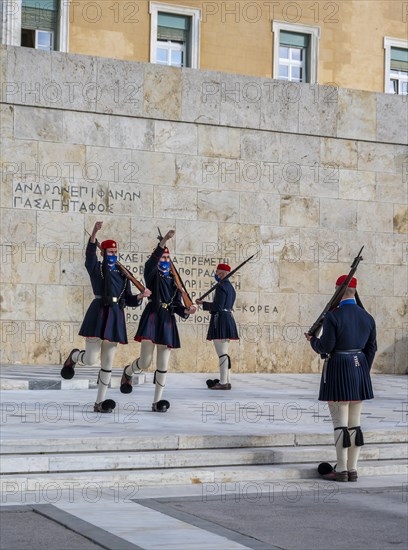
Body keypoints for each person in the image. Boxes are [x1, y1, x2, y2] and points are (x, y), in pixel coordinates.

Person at [61, 221, 151, 413]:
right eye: (110, 252)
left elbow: (128, 299)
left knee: (108, 363)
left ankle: (99, 402)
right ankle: (75, 356)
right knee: (92, 359)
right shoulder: (97, 269)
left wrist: (141, 296)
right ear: (103, 253)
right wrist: (94, 233)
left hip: (116, 316)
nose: (113, 255)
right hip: (99, 312)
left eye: (115, 252)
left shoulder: (122, 273)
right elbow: (89, 256)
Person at [305, 275, 377, 482]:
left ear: (338, 289)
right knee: (355, 424)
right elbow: (372, 348)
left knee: (340, 423)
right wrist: (362, 369)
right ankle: (353, 469)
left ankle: (341, 469)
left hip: (339, 368)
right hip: (359, 368)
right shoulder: (367, 316)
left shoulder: (333, 316)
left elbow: (326, 347)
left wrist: (313, 341)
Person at [120, 229, 196, 412]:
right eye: (162, 257)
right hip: (152, 318)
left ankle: (157, 401)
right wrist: (163, 243)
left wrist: (186, 309)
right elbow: (152, 262)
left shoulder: (174, 281)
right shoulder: (152, 274)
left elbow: (177, 305)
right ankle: (128, 371)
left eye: (167, 258)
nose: (164, 260)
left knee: (163, 364)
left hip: (168, 320)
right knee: (145, 362)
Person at [196, 263, 239, 390]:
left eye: (217, 272)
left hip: (220, 320)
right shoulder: (230, 287)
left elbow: (217, 307)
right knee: (224, 353)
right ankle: (227, 380)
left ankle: (223, 382)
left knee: (222, 354)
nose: (216, 274)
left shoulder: (221, 287)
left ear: (223, 273)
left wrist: (202, 304)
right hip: (227, 318)